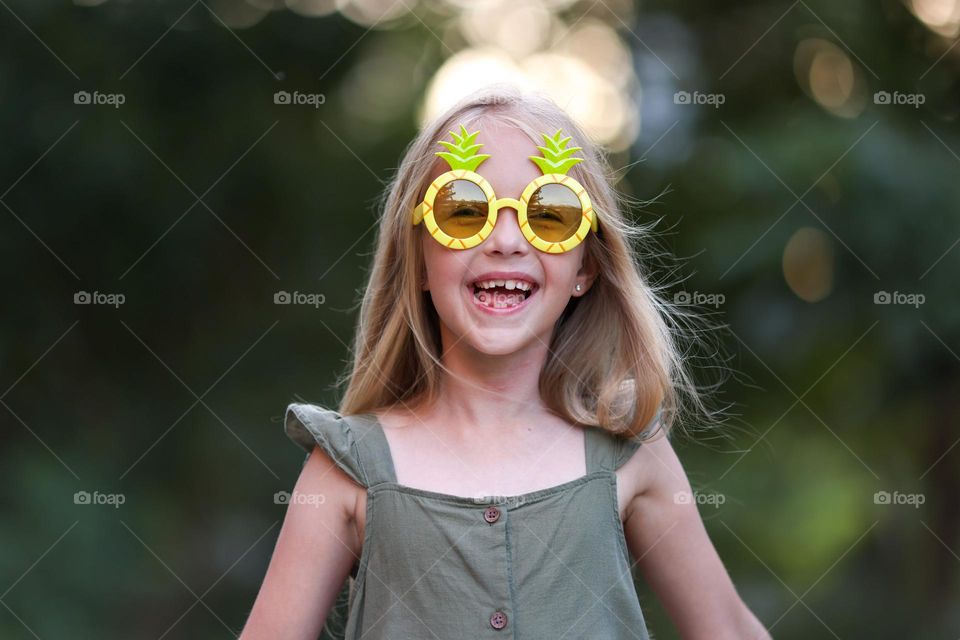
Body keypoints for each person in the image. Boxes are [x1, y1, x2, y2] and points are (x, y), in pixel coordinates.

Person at [240, 84, 771, 640]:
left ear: (586, 268)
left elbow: (728, 630)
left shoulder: (629, 447)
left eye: (551, 215)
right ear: (417, 260)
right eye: (465, 210)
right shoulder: (347, 467)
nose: (507, 241)